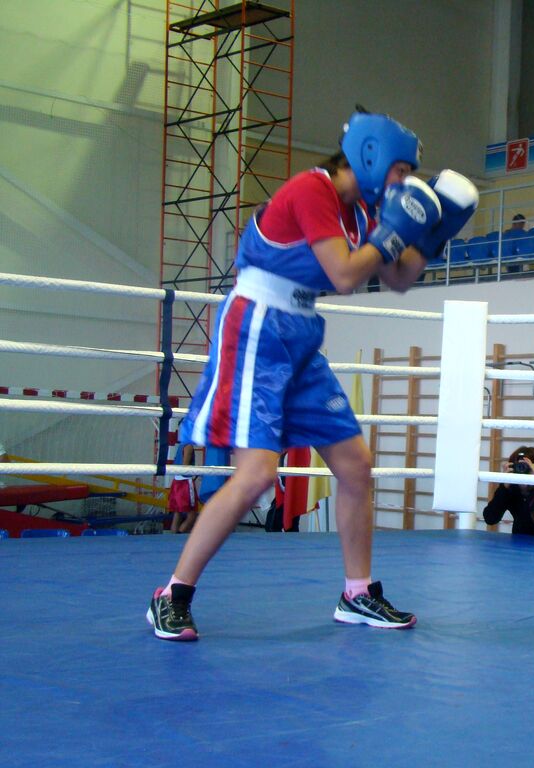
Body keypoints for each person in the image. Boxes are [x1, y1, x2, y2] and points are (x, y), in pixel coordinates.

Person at [146, 109, 479, 641]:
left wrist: (432, 233)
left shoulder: (362, 213)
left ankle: (357, 593)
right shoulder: (310, 190)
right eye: (400, 170)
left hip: (300, 332)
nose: (403, 182)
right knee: (255, 475)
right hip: (256, 324)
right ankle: (172, 595)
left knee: (355, 465)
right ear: (370, 157)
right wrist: (396, 229)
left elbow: (397, 278)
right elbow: (346, 276)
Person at [168, 443, 199, 534]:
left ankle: (173, 539)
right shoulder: (188, 446)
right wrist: (198, 471)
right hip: (185, 483)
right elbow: (185, 467)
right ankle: (179, 535)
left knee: (177, 513)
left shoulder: (181, 445)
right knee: (192, 515)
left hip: (176, 481)